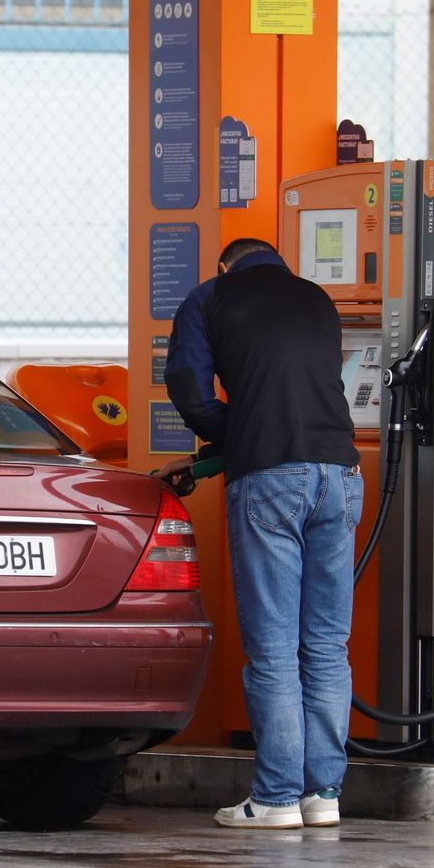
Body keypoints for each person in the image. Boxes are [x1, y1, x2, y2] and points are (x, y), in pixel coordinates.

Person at [161, 237, 363, 829]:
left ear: (225, 265)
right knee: (327, 645)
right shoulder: (317, 298)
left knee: (274, 648)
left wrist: (235, 432)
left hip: (271, 481)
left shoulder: (209, 297)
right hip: (341, 476)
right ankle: (323, 794)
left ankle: (275, 798)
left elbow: (190, 390)